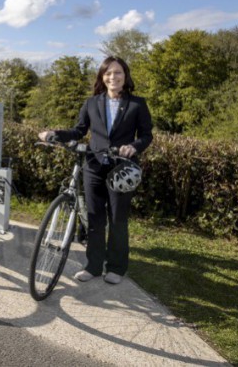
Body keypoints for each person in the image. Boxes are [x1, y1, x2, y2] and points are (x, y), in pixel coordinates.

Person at [38, 56, 152, 285]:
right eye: (108, 73)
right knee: (94, 218)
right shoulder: (91, 103)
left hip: (122, 169)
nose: (113, 77)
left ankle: (116, 267)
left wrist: (134, 146)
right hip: (93, 166)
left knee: (117, 219)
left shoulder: (137, 104)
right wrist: (54, 134)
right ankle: (93, 266)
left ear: (125, 76)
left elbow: (147, 135)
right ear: (102, 77)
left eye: (118, 73)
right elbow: (79, 131)